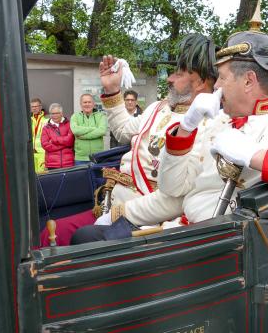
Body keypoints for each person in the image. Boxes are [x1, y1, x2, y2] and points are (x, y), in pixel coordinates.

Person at [74, 30, 268, 241]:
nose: (215, 86)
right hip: (185, 233)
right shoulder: (225, 122)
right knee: (84, 240)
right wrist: (186, 129)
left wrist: (255, 157)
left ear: (248, 80)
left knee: (84, 244)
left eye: (222, 78)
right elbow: (172, 186)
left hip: (212, 249)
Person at [40, 33, 218, 247]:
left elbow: (176, 200)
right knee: (51, 234)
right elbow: (123, 130)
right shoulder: (159, 108)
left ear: (200, 82)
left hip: (144, 221)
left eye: (178, 74)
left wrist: (117, 214)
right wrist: (112, 90)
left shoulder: (209, 125)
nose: (170, 79)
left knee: (79, 239)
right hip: (111, 202)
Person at [71, 94, 108, 165]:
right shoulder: (75, 116)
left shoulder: (101, 116)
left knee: (97, 176)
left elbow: (102, 131)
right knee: (81, 176)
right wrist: (93, 129)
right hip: (80, 158)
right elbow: (75, 130)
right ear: (80, 104)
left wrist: (82, 136)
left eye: (89, 102)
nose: (87, 104)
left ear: (93, 103)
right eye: (85, 102)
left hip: (97, 157)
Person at [41, 103, 75, 169]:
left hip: (68, 163)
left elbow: (70, 141)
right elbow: (45, 145)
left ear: (61, 113)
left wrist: (53, 140)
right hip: (52, 164)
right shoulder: (46, 128)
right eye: (52, 113)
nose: (54, 115)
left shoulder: (69, 124)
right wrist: (65, 144)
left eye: (57, 113)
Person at [30, 98, 47, 173]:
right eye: (32, 107)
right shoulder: (29, 120)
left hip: (42, 153)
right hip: (32, 153)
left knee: (42, 176)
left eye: (36, 106)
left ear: (40, 107)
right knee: (33, 176)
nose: (34, 108)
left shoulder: (47, 119)